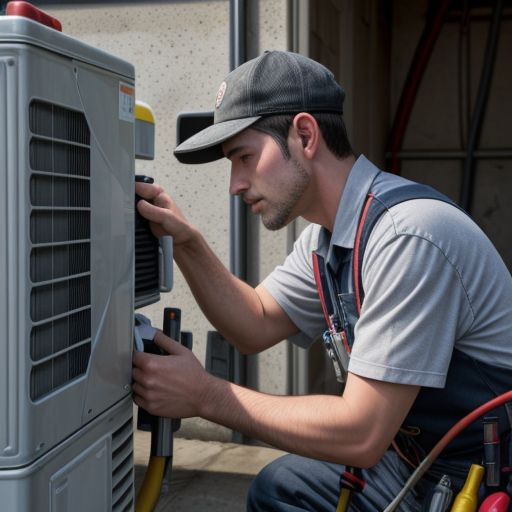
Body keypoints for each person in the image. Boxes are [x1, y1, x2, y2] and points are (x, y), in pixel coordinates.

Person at [132, 51, 512, 511]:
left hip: (485, 479)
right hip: (417, 462)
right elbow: (255, 322)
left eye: (244, 157)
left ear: (305, 135)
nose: (234, 184)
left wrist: (205, 396)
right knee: (282, 486)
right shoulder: (328, 238)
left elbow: (361, 433)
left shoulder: (408, 236)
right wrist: (187, 243)